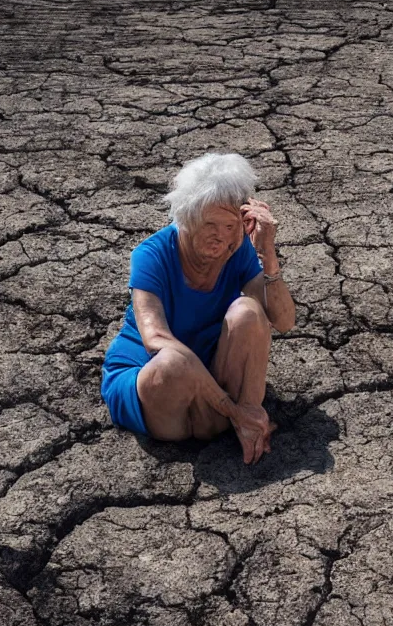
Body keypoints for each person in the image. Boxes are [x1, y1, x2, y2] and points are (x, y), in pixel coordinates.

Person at [100, 153, 296, 464]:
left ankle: (242, 424)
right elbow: (156, 342)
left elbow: (283, 321)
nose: (223, 235)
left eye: (232, 224)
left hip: (207, 372)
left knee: (249, 311)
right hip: (153, 385)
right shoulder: (152, 255)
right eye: (211, 224)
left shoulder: (239, 250)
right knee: (171, 364)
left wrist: (267, 253)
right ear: (187, 218)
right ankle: (239, 418)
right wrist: (232, 408)